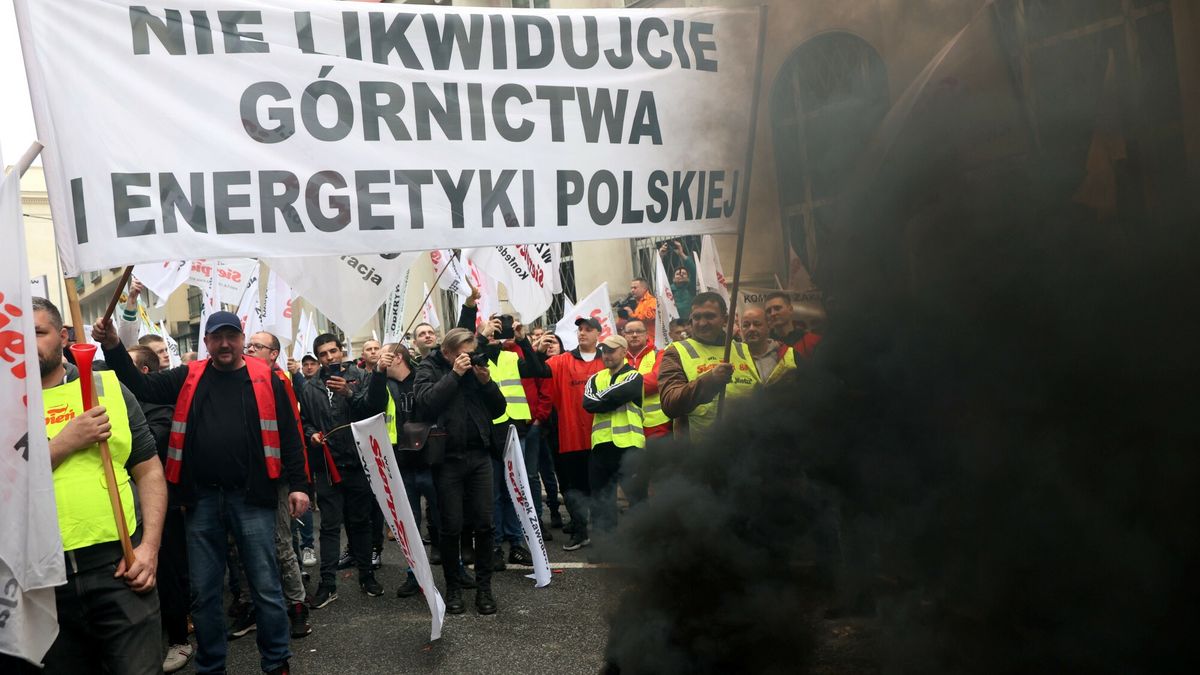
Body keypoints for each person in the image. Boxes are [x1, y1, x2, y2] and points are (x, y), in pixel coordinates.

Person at [94, 309, 308, 675]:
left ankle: (276, 662)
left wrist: (301, 485)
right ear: (206, 342)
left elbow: (291, 433)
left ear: (242, 340)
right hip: (201, 501)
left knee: (266, 588)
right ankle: (211, 667)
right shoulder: (188, 376)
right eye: (216, 337)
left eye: (231, 336)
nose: (224, 344)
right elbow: (142, 386)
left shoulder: (269, 379)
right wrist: (113, 346)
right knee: (205, 594)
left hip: (252, 498)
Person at [33, 298, 167, 675]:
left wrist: (149, 549)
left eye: (39, 333)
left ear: (62, 336)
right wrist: (64, 442)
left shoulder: (106, 386)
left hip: (119, 568)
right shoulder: (7, 404)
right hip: (40, 582)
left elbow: (149, 471)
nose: (29, 343)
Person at [414, 328, 507, 615]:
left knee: (484, 523)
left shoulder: (476, 369)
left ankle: (484, 589)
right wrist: (454, 375)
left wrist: (487, 383)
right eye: (463, 352)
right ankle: (453, 587)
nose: (469, 357)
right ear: (448, 352)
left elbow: (498, 409)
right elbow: (426, 404)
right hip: (447, 459)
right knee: (451, 526)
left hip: (479, 456)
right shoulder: (429, 367)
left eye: (471, 350)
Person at [458, 304, 551, 571]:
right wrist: (483, 335)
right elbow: (468, 352)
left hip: (515, 429)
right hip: (489, 432)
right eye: (497, 326)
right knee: (494, 493)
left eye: (503, 326)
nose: (501, 330)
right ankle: (495, 545)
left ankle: (516, 543)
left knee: (516, 489)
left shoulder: (512, 356)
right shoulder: (479, 355)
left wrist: (522, 339)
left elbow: (536, 369)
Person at [299, 333, 388, 607]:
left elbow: (373, 409)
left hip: (357, 462)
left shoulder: (360, 377)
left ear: (341, 350)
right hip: (327, 466)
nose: (330, 358)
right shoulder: (310, 387)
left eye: (333, 351)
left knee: (360, 522)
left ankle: (367, 576)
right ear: (318, 358)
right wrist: (312, 434)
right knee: (328, 526)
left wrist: (348, 392)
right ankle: (327, 584)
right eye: (323, 354)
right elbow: (305, 421)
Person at [128, 345, 194, 672]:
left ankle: (179, 639)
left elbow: (153, 441)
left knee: (168, 572)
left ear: (142, 372)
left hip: (163, 508)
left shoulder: (159, 407)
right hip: (128, 511)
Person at [247, 332, 314, 639]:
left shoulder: (278, 381)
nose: (250, 349)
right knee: (247, 548)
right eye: (249, 345)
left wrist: (299, 483)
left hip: (276, 478)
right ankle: (257, 606)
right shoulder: (238, 379)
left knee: (281, 544)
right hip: (245, 479)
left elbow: (291, 433)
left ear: (273, 354)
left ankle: (297, 607)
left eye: (257, 346)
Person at [379, 343, 442, 598]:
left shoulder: (423, 378)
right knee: (409, 525)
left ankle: (455, 568)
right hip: (402, 467)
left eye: (385, 354)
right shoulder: (383, 385)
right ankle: (413, 575)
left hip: (430, 462)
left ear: (397, 357)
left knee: (444, 519)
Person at [658, 293, 757, 440]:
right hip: (701, 453)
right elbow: (670, 403)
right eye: (697, 317)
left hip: (747, 450)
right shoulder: (676, 352)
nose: (702, 323)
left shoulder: (744, 350)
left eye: (710, 316)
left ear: (725, 320)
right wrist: (710, 381)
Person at [545, 317, 607, 551]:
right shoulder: (562, 361)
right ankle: (580, 531)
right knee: (575, 488)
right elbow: (537, 369)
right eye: (580, 329)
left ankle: (602, 534)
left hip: (601, 436)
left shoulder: (607, 360)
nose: (582, 333)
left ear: (598, 334)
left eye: (588, 330)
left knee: (600, 487)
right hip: (571, 436)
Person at [582, 335, 644, 540]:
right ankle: (605, 546)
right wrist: (609, 398)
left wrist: (604, 398)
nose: (606, 355)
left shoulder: (634, 376)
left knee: (637, 499)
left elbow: (618, 394)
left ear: (624, 351)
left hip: (630, 446)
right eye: (604, 351)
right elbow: (588, 404)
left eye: (611, 350)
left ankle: (644, 543)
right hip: (601, 447)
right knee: (601, 500)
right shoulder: (594, 378)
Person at [740, 308, 798, 386]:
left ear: (768, 326)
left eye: (757, 324)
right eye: (746, 325)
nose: (751, 329)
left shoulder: (786, 354)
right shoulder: (734, 356)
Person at [763, 291, 822, 360]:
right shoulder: (763, 344)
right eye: (768, 311)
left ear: (790, 309)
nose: (772, 313)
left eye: (777, 308)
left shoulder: (812, 341)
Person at [660, 240, 698, 319]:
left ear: (688, 277)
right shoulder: (669, 290)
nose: (681, 275)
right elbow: (660, 277)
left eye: (684, 274)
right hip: (674, 322)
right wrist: (661, 256)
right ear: (673, 278)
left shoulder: (691, 288)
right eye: (677, 274)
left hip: (690, 321)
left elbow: (694, 272)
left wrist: (681, 253)